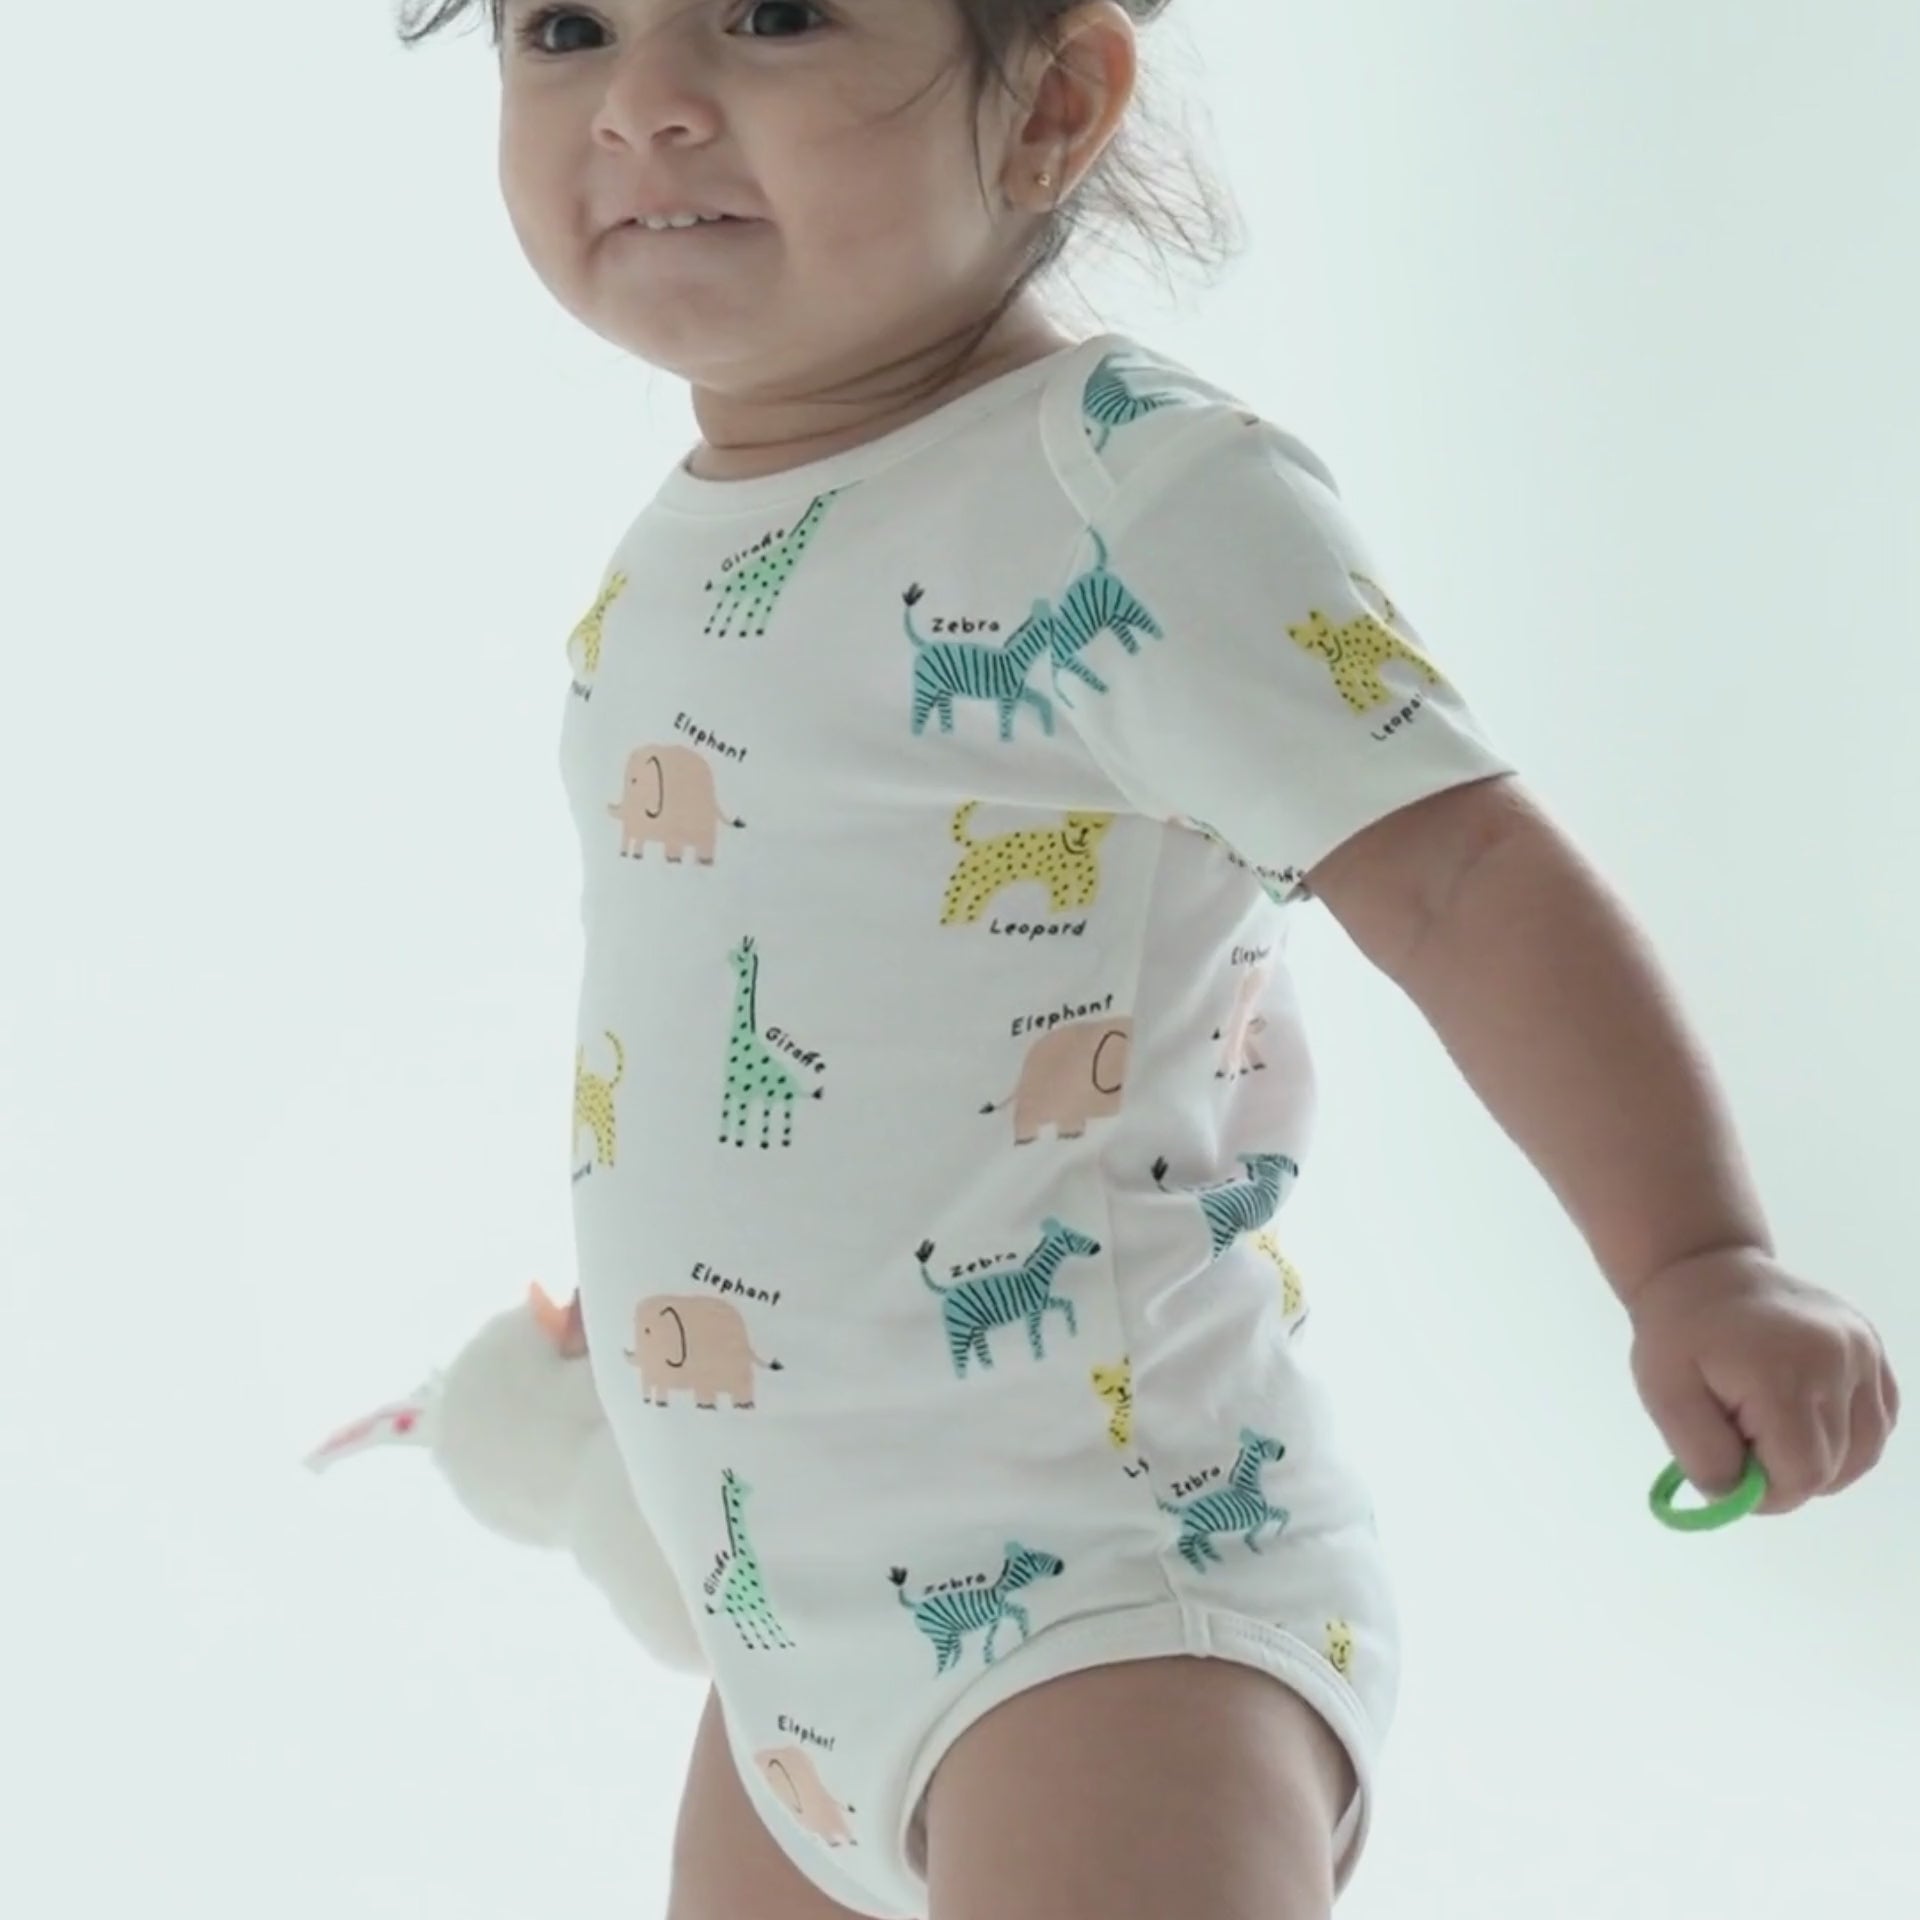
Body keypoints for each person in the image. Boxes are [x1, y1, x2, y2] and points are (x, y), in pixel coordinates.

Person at [396, 3, 1902, 1916]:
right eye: (564, 27)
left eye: (772, 14)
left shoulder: (1125, 495)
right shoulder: (684, 548)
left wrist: (1699, 1259)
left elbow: (1459, 873)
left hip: (1108, 1599)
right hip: (783, 1644)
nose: (645, 104)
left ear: (1050, 100)